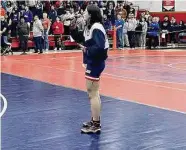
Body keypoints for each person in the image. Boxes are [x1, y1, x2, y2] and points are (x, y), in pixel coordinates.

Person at [70, 5, 109, 134]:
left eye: (86, 12)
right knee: (93, 92)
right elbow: (82, 39)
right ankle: (95, 120)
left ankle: (96, 124)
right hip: (94, 62)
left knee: (92, 93)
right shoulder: (91, 27)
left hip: (95, 63)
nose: (84, 13)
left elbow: (99, 48)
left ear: (91, 14)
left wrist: (87, 50)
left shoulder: (96, 27)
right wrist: (73, 28)